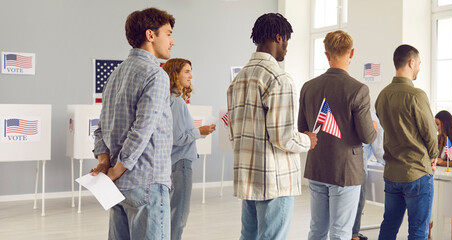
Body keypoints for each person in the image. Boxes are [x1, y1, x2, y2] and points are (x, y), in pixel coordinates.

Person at [226, 13, 318, 240]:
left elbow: (233, 132)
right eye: (286, 41)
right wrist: (308, 140)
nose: (287, 48)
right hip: (275, 180)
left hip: (249, 176)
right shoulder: (279, 78)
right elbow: (283, 137)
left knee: (249, 236)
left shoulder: (238, 80)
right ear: (279, 38)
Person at [90, 7, 176, 240]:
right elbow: (142, 131)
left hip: (118, 188)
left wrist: (104, 161)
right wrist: (117, 169)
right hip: (145, 182)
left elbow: (101, 126)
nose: (172, 41)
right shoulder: (156, 75)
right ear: (151, 35)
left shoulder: (116, 74)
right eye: (168, 34)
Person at [298, 30, 377, 240]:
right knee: (341, 231)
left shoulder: (308, 87)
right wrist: (374, 127)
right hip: (345, 172)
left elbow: (302, 129)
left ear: (326, 55)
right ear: (351, 53)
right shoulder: (358, 89)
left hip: (316, 167)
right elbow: (367, 136)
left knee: (317, 229)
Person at [375, 44, 439, 240]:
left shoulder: (382, 95)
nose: (419, 67)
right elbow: (430, 132)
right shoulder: (416, 95)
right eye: (418, 63)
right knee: (418, 230)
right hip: (416, 172)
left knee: (389, 226)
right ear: (411, 63)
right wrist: (434, 156)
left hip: (392, 173)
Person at [163, 58, 216, 240]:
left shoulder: (168, 99)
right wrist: (198, 131)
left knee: (172, 210)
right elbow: (178, 138)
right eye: (186, 71)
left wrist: (200, 133)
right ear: (175, 74)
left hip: (172, 162)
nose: (190, 76)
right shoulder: (176, 102)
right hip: (181, 163)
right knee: (180, 214)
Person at [352, 113, 384, 240]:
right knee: (358, 201)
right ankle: (354, 234)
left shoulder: (355, 114)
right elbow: (378, 152)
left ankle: (348, 232)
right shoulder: (375, 122)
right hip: (360, 167)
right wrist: (389, 162)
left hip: (343, 166)